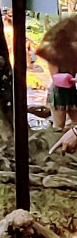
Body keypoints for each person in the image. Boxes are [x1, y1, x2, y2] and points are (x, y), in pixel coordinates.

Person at [36, 14, 77, 153]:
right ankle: (58, 150)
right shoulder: (54, 56)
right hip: (60, 91)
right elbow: (56, 78)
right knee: (58, 124)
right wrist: (71, 79)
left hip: (72, 90)